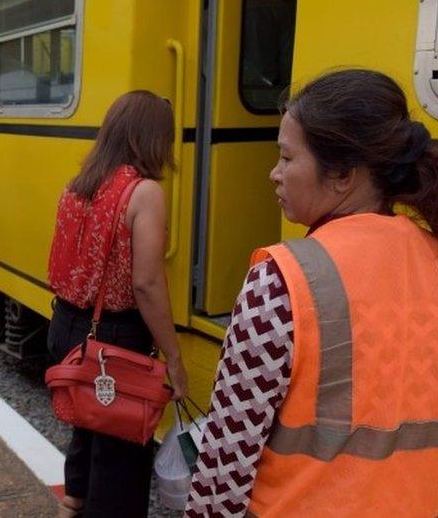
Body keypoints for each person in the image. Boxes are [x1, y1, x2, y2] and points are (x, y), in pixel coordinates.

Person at [186, 69, 438, 517]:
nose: (274, 174)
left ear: (342, 174)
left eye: (286, 158)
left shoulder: (282, 281)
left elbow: (224, 467)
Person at [46, 91, 188, 518]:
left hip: (68, 327)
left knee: (88, 427)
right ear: (152, 139)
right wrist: (175, 359)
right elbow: (145, 283)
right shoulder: (143, 193)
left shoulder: (78, 186)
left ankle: (73, 502)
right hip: (115, 339)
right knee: (121, 462)